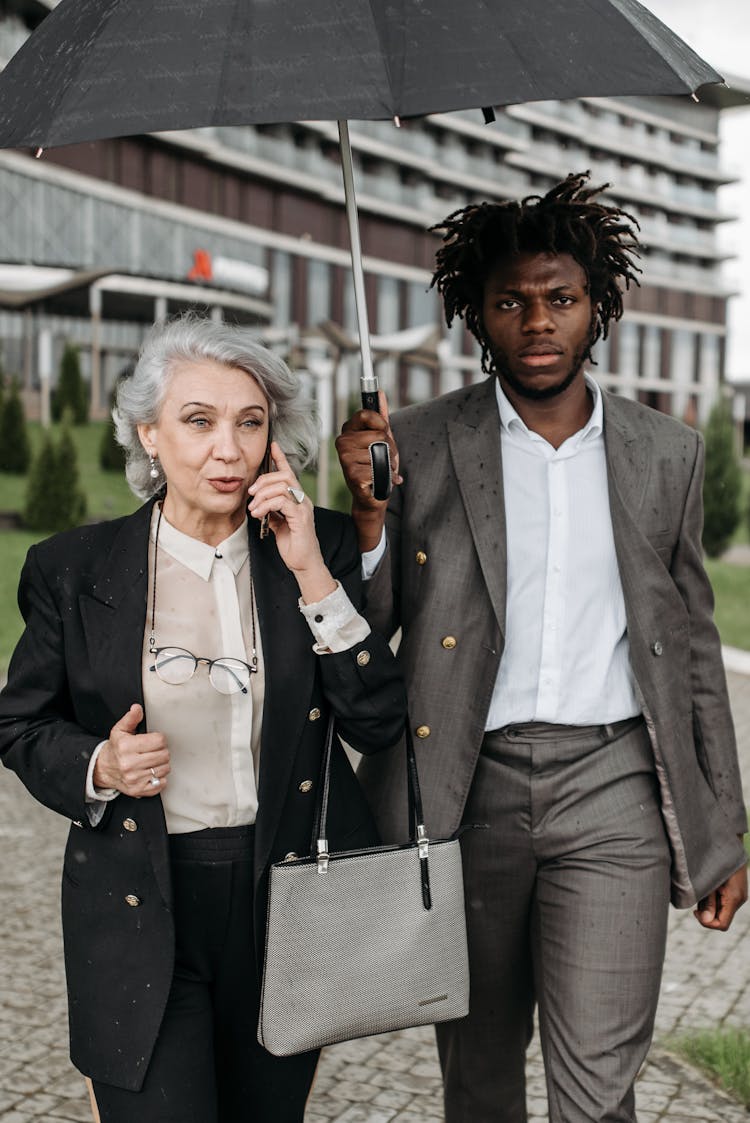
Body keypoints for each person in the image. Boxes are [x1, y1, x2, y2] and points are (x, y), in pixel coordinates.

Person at [336, 172, 748, 1123]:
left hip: (614, 791)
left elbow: (691, 649)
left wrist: (722, 824)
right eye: (510, 301)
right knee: (478, 1077)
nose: (537, 321)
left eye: (560, 298)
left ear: (597, 309)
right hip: (465, 783)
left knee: (599, 1087)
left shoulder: (665, 453)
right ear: (476, 316)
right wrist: (367, 511)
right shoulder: (419, 444)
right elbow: (366, 626)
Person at [0, 314, 406, 1123]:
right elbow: (20, 725)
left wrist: (312, 573)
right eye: (199, 421)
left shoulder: (314, 543)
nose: (230, 448)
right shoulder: (73, 569)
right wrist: (99, 767)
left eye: (250, 423)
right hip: (139, 899)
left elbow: (378, 719)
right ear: (148, 433)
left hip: (282, 902)